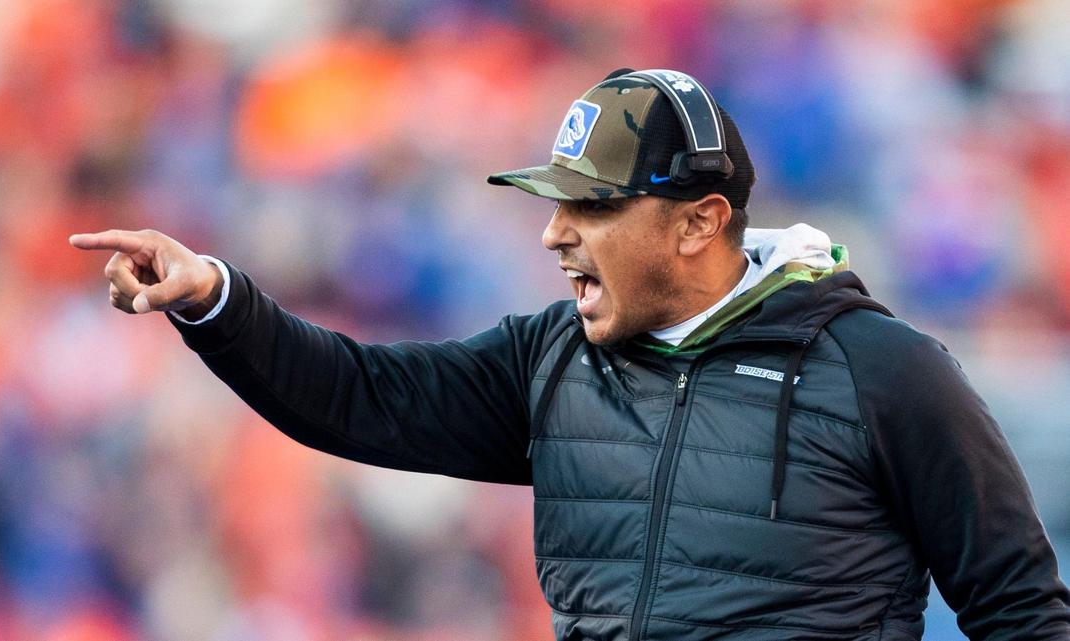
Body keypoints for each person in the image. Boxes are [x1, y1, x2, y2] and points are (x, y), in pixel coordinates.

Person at [70, 69, 1070, 640]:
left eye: (591, 205)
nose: (554, 235)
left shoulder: (884, 370)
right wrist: (212, 294)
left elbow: (1021, 608)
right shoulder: (549, 360)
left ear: (699, 221)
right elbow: (352, 396)